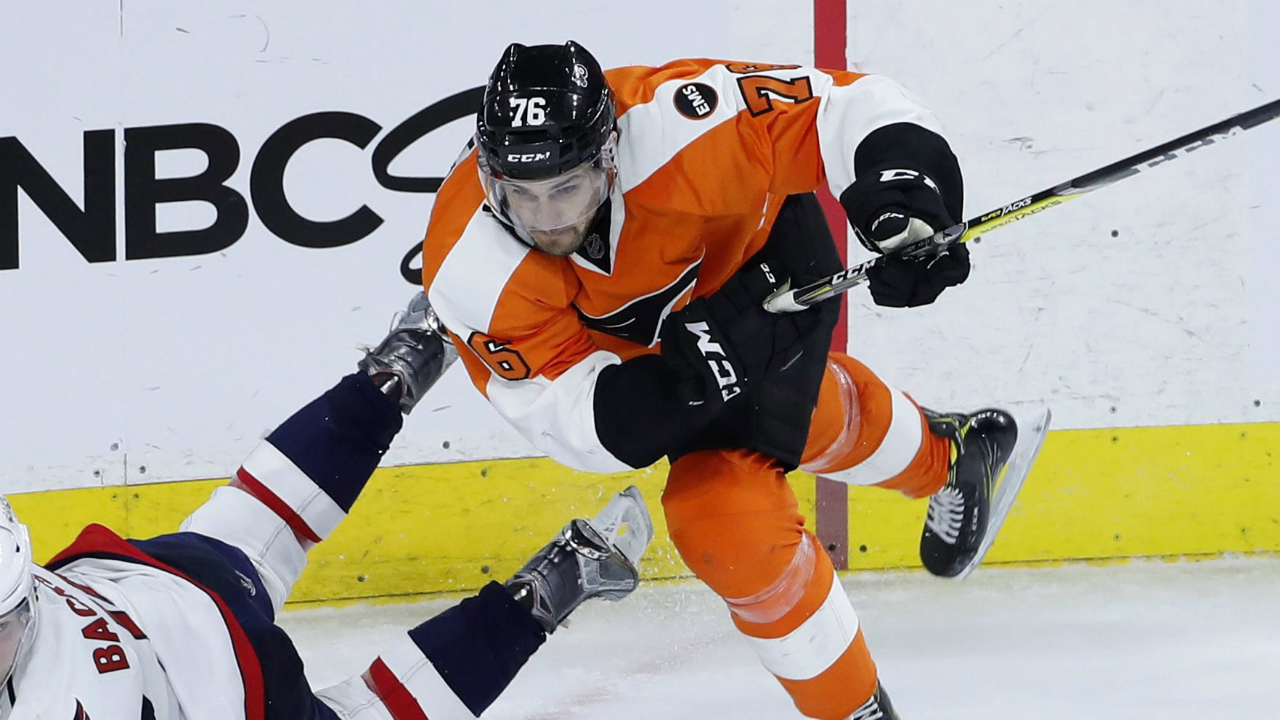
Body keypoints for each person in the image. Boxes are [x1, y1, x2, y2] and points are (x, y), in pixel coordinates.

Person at [420, 41, 1041, 719]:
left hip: (764, 267)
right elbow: (581, 424)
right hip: (646, 353)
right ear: (489, 180)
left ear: (608, 156)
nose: (548, 221)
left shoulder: (677, 126)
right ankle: (949, 454)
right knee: (773, 424)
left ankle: (855, 707)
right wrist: (696, 373)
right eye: (522, 196)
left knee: (722, 517)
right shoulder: (468, 267)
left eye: (566, 188)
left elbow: (846, 106)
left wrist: (905, 201)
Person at [0, 293, 654, 720]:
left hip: (229, 681)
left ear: (25, 610)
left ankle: (553, 587)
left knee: (373, 712)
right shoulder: (18, 599)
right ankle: (406, 360)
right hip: (158, 581)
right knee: (262, 515)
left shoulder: (66, 704)